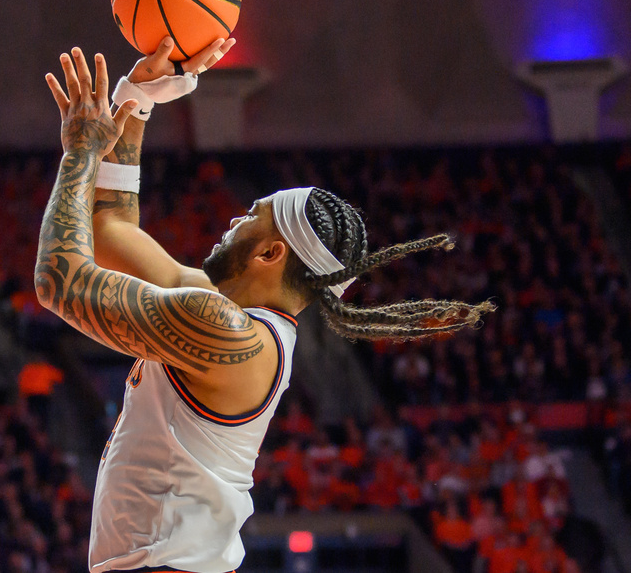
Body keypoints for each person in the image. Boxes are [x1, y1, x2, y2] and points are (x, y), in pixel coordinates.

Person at [35, 40, 494, 573]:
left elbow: (58, 280)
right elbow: (111, 229)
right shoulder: (225, 316)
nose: (233, 221)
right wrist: (136, 101)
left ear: (271, 252)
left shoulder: (226, 331)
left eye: (249, 216)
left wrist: (79, 153)